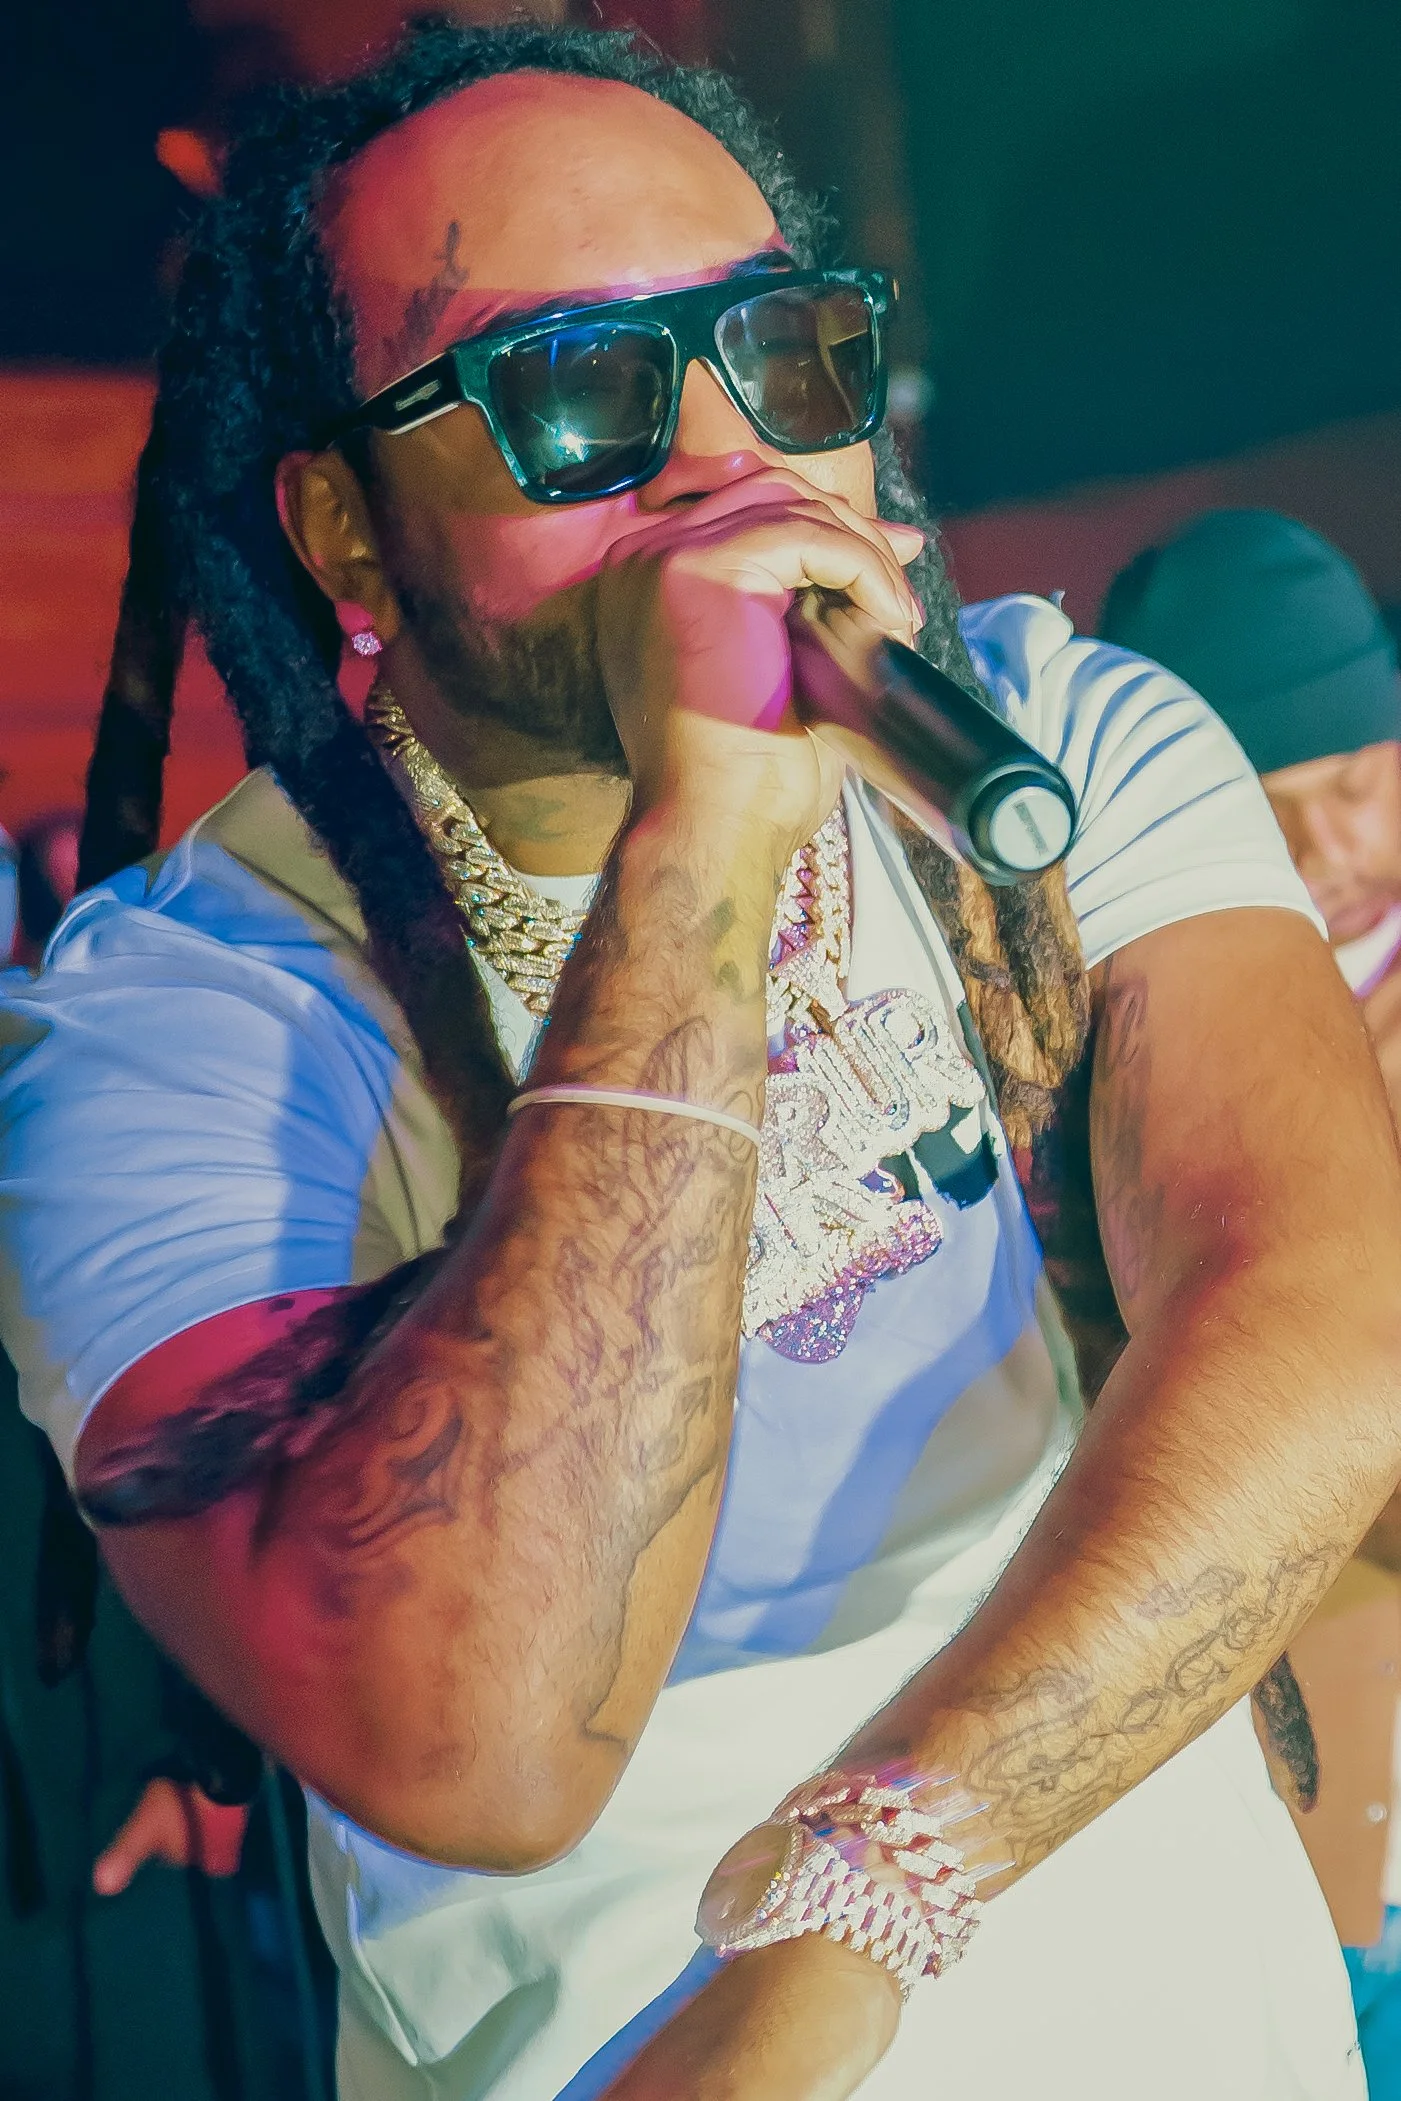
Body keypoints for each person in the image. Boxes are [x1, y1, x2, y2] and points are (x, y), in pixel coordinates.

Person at [2, 25, 1400, 2100]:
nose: (729, 457)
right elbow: (474, 1746)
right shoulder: (186, 1022)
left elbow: (1324, 1334)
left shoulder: (1057, 734)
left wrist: (873, 1899)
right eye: (576, 389)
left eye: (777, 347)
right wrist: (701, 843)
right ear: (347, 531)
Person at [1102, 505, 1401, 2097]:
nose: (1329, 852)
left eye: (1355, 782)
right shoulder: (1129, 1038)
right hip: (1298, 1760)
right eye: (1264, 811)